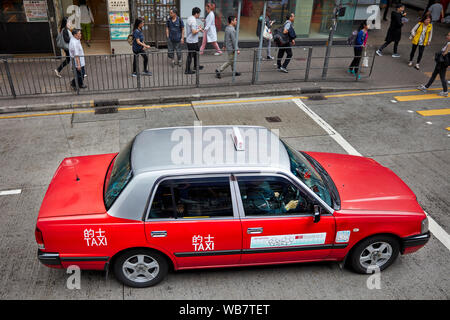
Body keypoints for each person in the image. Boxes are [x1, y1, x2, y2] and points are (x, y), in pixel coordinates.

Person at [417, 32, 449, 97]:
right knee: (434, 74)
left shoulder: (449, 43)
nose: (447, 36)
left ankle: (445, 91)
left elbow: (445, 53)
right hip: (442, 63)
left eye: (448, 35)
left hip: (442, 63)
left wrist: (440, 53)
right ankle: (426, 86)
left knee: (442, 77)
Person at [185, 7, 204, 74]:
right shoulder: (193, 20)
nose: (199, 15)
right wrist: (199, 30)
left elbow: (193, 28)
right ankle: (187, 70)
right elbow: (193, 32)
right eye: (199, 14)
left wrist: (198, 28)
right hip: (192, 41)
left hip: (192, 41)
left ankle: (196, 66)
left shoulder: (190, 18)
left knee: (196, 53)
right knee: (190, 55)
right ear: (196, 13)